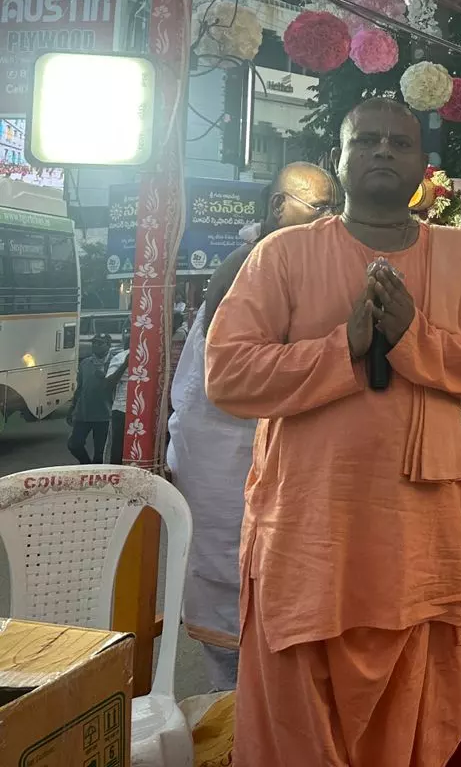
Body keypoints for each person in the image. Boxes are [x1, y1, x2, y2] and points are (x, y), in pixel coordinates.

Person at [207, 99, 461, 767]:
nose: (383, 152)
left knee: (407, 707)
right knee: (298, 713)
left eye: (400, 143)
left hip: (412, 536)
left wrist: (415, 336)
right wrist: (343, 348)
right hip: (310, 530)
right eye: (367, 141)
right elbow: (228, 374)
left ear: (421, 164)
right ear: (338, 159)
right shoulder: (284, 255)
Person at [167, 162, 336, 692]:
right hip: (227, 456)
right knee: (232, 588)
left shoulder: (296, 260)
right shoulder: (253, 263)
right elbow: (243, 376)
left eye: (334, 207)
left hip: (263, 454)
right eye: (319, 207)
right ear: (276, 206)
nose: (329, 219)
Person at [66, 333, 115, 463]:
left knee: (100, 453)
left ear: (108, 346)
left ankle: (95, 475)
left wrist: (104, 377)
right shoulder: (85, 363)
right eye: (94, 343)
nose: (96, 346)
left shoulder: (114, 363)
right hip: (84, 413)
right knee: (74, 444)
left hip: (105, 415)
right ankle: (85, 464)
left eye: (100, 343)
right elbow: (80, 387)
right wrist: (72, 408)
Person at [104, 343, 130, 465]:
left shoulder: (152, 355)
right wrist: (125, 364)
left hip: (145, 411)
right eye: (127, 332)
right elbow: (108, 384)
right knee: (118, 447)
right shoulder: (120, 357)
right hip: (121, 409)